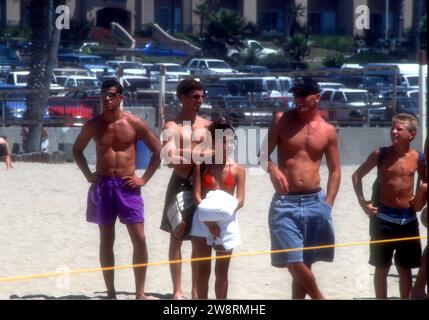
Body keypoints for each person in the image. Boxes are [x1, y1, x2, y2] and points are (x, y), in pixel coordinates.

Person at [72, 79, 162, 300]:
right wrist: (87, 174)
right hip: (103, 186)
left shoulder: (134, 123)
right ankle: (111, 292)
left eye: (112, 95)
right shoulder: (93, 125)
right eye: (104, 94)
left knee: (139, 238)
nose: (107, 98)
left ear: (121, 98)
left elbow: (159, 151)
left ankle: (140, 292)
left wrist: (144, 179)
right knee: (106, 239)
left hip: (127, 186)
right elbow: (77, 150)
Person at [261, 77, 340, 299]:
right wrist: (274, 170)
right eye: (296, 94)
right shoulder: (281, 120)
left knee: (306, 263)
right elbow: (260, 155)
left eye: (303, 94)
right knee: (292, 260)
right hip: (285, 202)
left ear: (317, 96)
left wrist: (329, 203)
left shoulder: (328, 131)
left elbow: (335, 170)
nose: (298, 99)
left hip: (316, 201)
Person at [352, 113, 425, 299]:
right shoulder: (381, 154)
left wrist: (420, 199)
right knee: (381, 267)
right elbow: (357, 175)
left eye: (399, 129)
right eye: (392, 128)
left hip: (407, 220)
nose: (394, 132)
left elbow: (425, 183)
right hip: (382, 219)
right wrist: (363, 202)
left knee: (405, 268)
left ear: (412, 134)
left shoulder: (418, 158)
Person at [160, 78, 211, 299]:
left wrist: (188, 157)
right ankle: (177, 290)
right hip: (180, 184)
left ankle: (195, 290)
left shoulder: (208, 125)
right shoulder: (172, 126)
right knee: (177, 235)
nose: (200, 100)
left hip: (204, 184)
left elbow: (219, 155)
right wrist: (200, 156)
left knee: (200, 240)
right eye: (195, 96)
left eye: (201, 96)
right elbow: (169, 159)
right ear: (182, 98)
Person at [190, 122, 245, 299]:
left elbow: (241, 200)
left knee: (222, 271)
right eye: (222, 141)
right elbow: (197, 196)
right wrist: (208, 221)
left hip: (226, 221)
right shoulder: (203, 165)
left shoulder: (238, 169)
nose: (228, 145)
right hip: (202, 220)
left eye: (230, 141)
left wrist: (220, 219)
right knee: (202, 270)